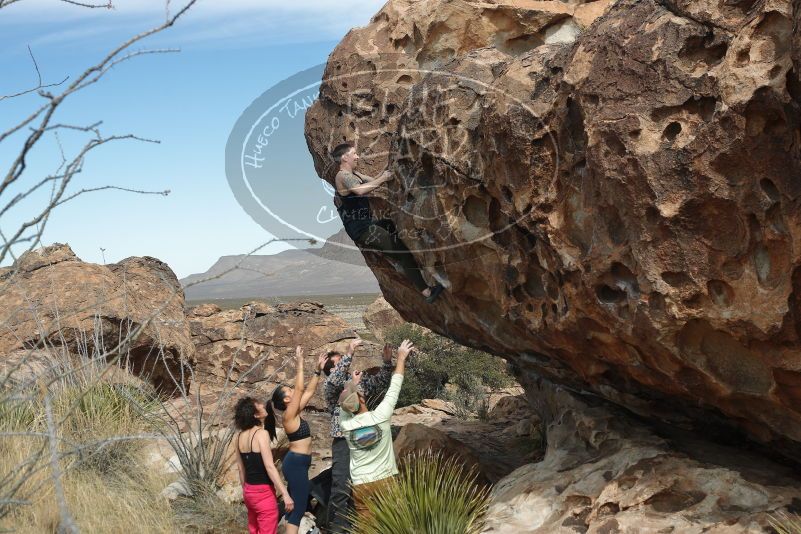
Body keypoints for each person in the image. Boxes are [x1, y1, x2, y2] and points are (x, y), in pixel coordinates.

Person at [329, 142, 445, 304]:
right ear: (344, 157)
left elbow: (373, 182)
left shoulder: (355, 175)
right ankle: (427, 292)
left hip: (368, 224)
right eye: (354, 154)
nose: (357, 156)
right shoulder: (342, 176)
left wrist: (388, 175)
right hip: (362, 230)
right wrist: (383, 178)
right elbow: (361, 190)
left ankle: (396, 255)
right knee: (404, 254)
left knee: (390, 224)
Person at [323, 338, 394, 533]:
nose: (345, 366)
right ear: (331, 371)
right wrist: (350, 351)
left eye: (345, 363)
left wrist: (387, 362)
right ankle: (338, 529)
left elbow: (380, 382)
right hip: (344, 444)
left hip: (364, 438)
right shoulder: (332, 389)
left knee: (366, 485)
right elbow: (335, 379)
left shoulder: (355, 384)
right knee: (341, 488)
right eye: (340, 363)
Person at [338, 339, 414, 518]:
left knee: (367, 527)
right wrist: (401, 358)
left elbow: (344, 403)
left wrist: (352, 385)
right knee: (395, 522)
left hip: (361, 484)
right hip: (385, 480)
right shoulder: (380, 417)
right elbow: (395, 386)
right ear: (362, 399)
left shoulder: (346, 425)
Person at [271, 346, 326, 534]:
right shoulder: (288, 415)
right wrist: (300, 363)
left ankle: (270, 520)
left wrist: (318, 370)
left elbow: (308, 392)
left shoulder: (293, 412)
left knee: (295, 505)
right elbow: (301, 388)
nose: (293, 391)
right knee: (299, 508)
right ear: (286, 400)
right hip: (295, 464)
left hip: (299, 463)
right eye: (289, 391)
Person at [234, 396, 294, 534]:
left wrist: (246, 492)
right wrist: (285, 494)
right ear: (255, 414)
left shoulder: (238, 437)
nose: (263, 405)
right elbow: (269, 466)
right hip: (263, 493)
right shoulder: (261, 434)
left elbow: (241, 470)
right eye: (259, 405)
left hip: (249, 491)